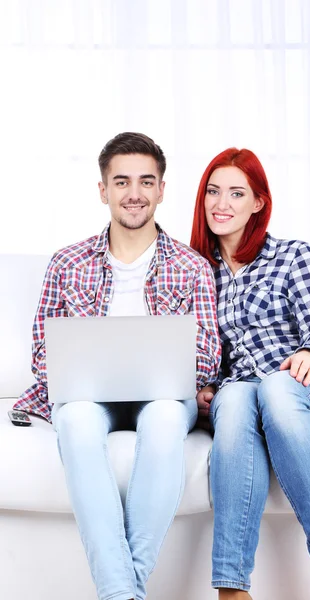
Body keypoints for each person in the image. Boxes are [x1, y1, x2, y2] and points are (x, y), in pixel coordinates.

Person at [14, 132, 221, 600]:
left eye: (146, 182)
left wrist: (173, 373)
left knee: (167, 416)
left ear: (162, 190)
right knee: (75, 420)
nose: (134, 193)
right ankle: (124, 592)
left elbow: (207, 352)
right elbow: (44, 353)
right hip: (88, 397)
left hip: (164, 396)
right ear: (103, 190)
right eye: (122, 181)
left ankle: (119, 591)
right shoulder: (67, 263)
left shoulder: (191, 266)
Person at [190, 148, 310, 600]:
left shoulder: (290, 256)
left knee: (274, 386)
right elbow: (200, 354)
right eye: (213, 191)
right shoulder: (196, 272)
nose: (222, 203)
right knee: (233, 400)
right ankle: (232, 590)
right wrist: (204, 388)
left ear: (258, 202)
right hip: (246, 392)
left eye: (237, 193)